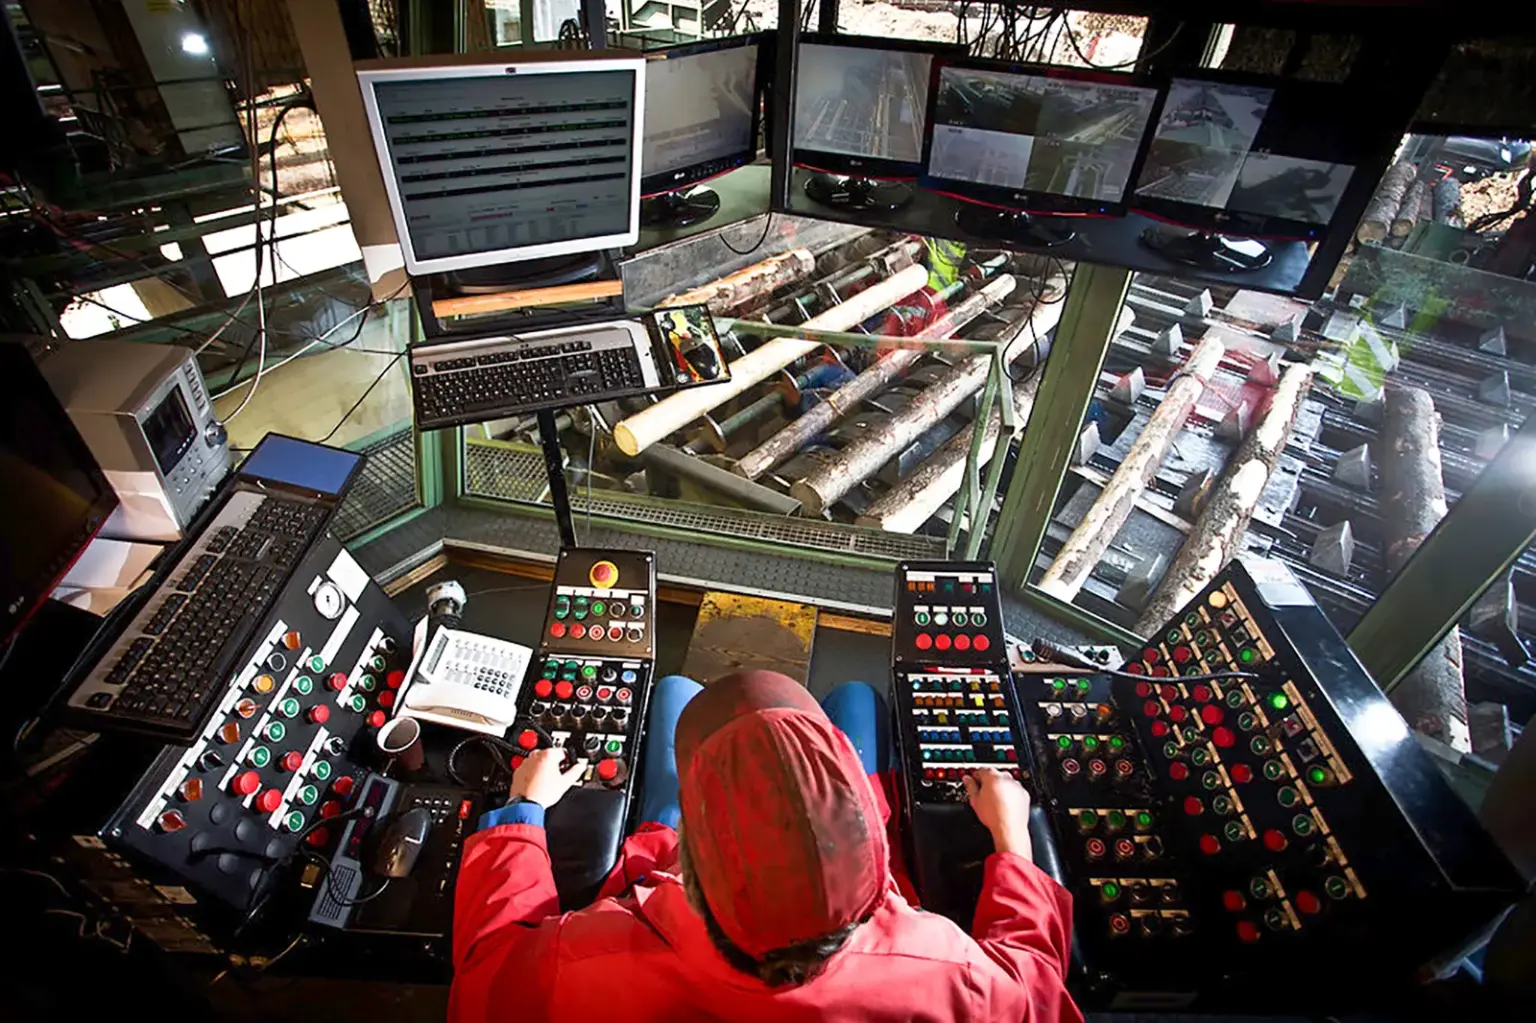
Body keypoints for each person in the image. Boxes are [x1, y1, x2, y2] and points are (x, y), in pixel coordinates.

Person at [450, 670, 1080, 1022]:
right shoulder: (945, 971)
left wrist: (523, 810)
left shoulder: (586, 963)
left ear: (691, 862)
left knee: (676, 694)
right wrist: (1012, 839)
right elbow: (1034, 990)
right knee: (855, 697)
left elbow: (485, 977)